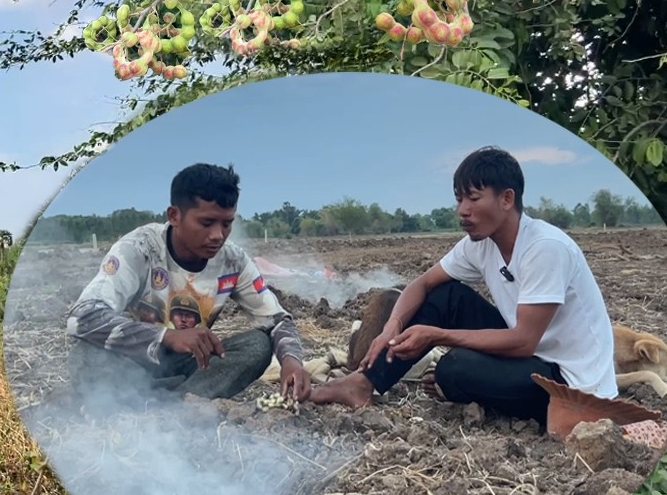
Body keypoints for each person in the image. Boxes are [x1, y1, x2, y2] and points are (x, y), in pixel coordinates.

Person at [310, 146, 618, 430]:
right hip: (532, 358)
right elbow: (423, 283)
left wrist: (438, 335)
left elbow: (524, 341)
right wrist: (391, 327)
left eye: (473, 198)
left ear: (506, 199)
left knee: (453, 369)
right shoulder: (481, 244)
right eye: (459, 199)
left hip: (569, 385)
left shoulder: (545, 247)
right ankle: (363, 383)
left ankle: (468, 387)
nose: (462, 210)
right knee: (445, 296)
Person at [65, 162, 313, 402]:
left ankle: (178, 405)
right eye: (206, 223)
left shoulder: (233, 261)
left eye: (227, 224)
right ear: (174, 215)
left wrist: (291, 362)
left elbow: (277, 319)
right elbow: (82, 317)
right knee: (86, 353)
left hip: (190, 363)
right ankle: (155, 399)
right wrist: (166, 336)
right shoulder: (140, 249)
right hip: (133, 359)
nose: (218, 235)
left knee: (258, 346)